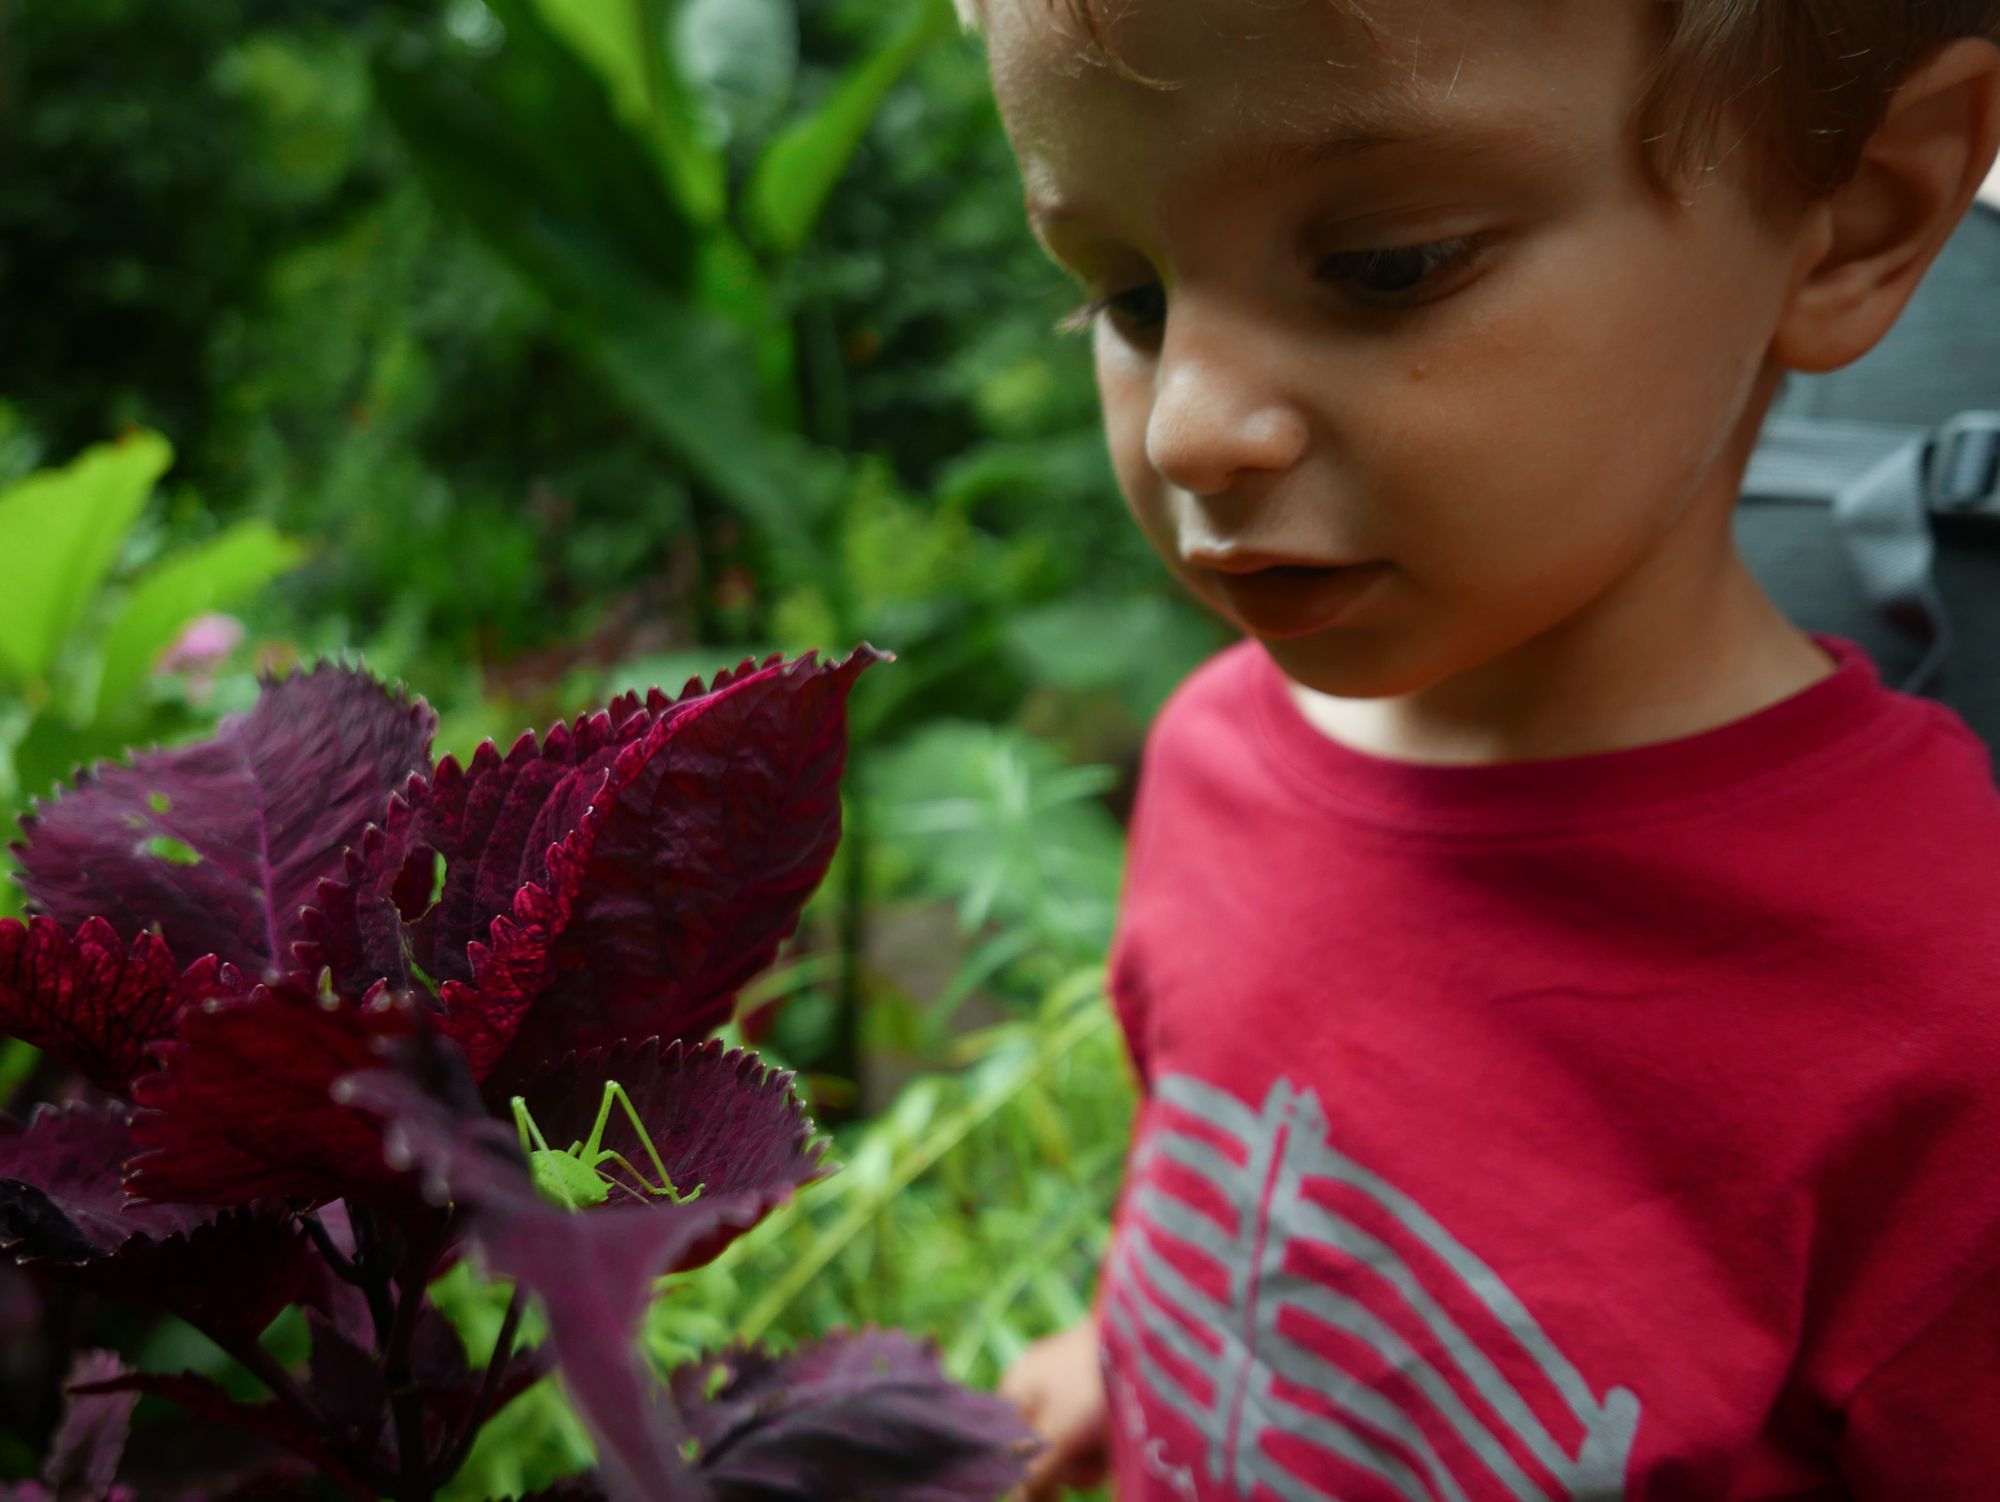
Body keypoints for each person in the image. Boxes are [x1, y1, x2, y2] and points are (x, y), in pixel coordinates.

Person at [953, 1, 2000, 1497]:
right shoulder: (1212, 762)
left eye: (1386, 266)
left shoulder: (1951, 1011)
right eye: (1129, 296)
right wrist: (1125, 1343)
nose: (1190, 426)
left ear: (1854, 217)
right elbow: (1273, 1193)